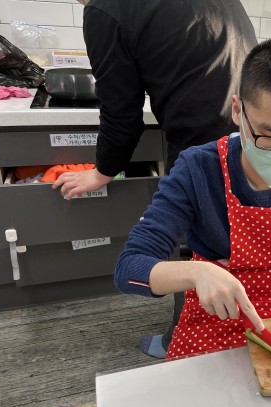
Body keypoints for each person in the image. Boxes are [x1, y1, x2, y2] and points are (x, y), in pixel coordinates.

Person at [114, 38, 271, 360]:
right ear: (238, 110)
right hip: (215, 318)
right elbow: (129, 268)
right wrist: (197, 274)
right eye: (267, 137)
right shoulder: (198, 168)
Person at [56, 0, 258, 358]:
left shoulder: (105, 10)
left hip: (205, 134)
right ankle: (234, 334)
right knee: (239, 243)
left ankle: (186, 342)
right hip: (258, 131)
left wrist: (102, 172)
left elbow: (121, 112)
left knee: (198, 249)